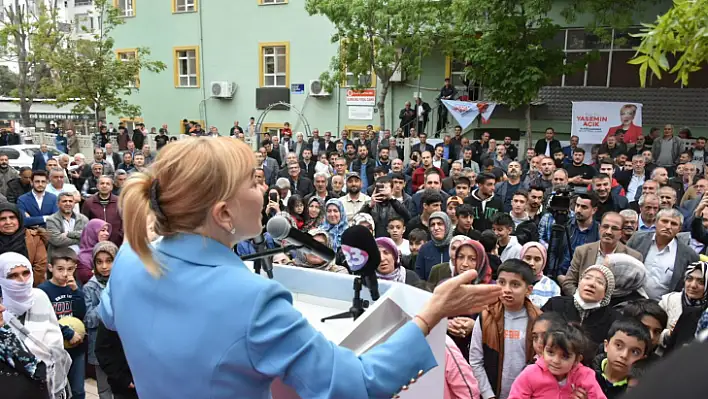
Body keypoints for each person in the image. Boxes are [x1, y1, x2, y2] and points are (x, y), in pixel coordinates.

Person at [97, 137, 504, 398]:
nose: (264, 189)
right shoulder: (252, 300)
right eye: (254, 181)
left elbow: (111, 317)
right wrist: (432, 313)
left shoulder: (132, 257)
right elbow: (358, 384)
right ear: (223, 213)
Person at [0, 252, 72, 398]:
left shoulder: (40, 297)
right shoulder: (2, 309)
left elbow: (54, 342)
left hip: (46, 381)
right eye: (13, 275)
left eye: (26, 273)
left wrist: (38, 359)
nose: (21, 280)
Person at [469, 259, 542, 399]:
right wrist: (488, 395)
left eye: (515, 284)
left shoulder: (538, 320)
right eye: (502, 282)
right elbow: (475, 360)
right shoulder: (486, 317)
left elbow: (542, 362)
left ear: (528, 290)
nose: (506, 289)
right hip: (491, 393)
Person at [38, 248, 87, 399]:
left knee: (78, 390)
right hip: (54, 350)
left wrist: (76, 292)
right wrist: (68, 332)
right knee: (58, 390)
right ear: (50, 267)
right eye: (60, 269)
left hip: (76, 347)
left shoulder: (74, 287)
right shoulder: (42, 291)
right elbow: (45, 320)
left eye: (70, 269)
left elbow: (80, 314)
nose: (65, 274)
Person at [508, 323, 605, 399]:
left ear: (577, 360)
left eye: (565, 356)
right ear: (542, 351)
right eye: (550, 352)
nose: (556, 360)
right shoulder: (530, 374)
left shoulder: (585, 375)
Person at [542, 265, 620, 358]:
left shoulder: (614, 320)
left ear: (606, 293)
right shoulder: (555, 304)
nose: (591, 284)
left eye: (600, 282)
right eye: (587, 278)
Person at [84, 241, 119, 399]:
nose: (104, 266)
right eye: (99, 262)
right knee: (104, 389)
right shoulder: (90, 287)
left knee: (122, 385)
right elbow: (89, 320)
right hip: (100, 345)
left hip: (121, 344)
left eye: (109, 261)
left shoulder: (123, 281)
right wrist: (106, 302)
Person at [593, 320, 651, 399]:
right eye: (618, 345)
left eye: (634, 352)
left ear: (642, 359)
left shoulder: (637, 390)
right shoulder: (586, 368)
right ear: (606, 345)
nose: (624, 355)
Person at [658, 261, 708, 350]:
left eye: (701, 282)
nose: (693, 285)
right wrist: (669, 334)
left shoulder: (706, 312)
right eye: (689, 279)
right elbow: (651, 334)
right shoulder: (669, 300)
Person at [0, 202, 48, 287]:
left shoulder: (34, 238)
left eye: (12, 217)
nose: (8, 222)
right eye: (3, 219)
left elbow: (40, 267)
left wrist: (24, 287)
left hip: (30, 287)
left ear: (19, 219)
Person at [520, 242, 560, 308]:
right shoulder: (513, 281)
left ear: (543, 262)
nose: (531, 263)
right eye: (528, 258)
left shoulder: (552, 287)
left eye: (537, 259)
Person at [76, 219, 111, 285]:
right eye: (103, 230)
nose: (107, 233)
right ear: (92, 232)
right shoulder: (82, 258)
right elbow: (86, 278)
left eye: (107, 230)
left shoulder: (109, 251)